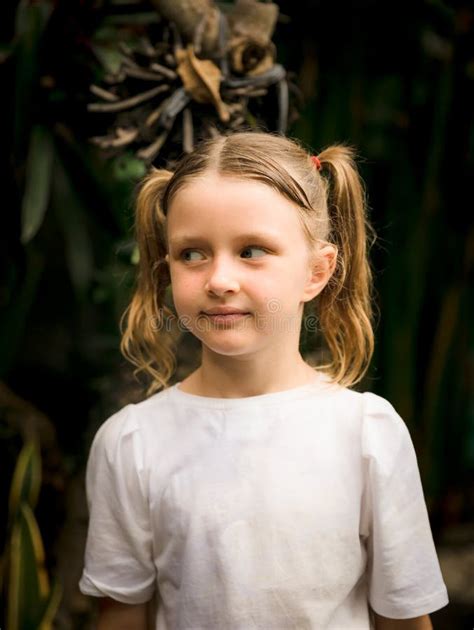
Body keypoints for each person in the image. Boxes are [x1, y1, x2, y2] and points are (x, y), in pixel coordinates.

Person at [79, 131, 449, 629]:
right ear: (166, 267)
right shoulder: (132, 443)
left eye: (252, 250)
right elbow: (122, 617)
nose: (219, 280)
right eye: (192, 253)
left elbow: (405, 620)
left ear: (316, 272)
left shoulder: (367, 433)